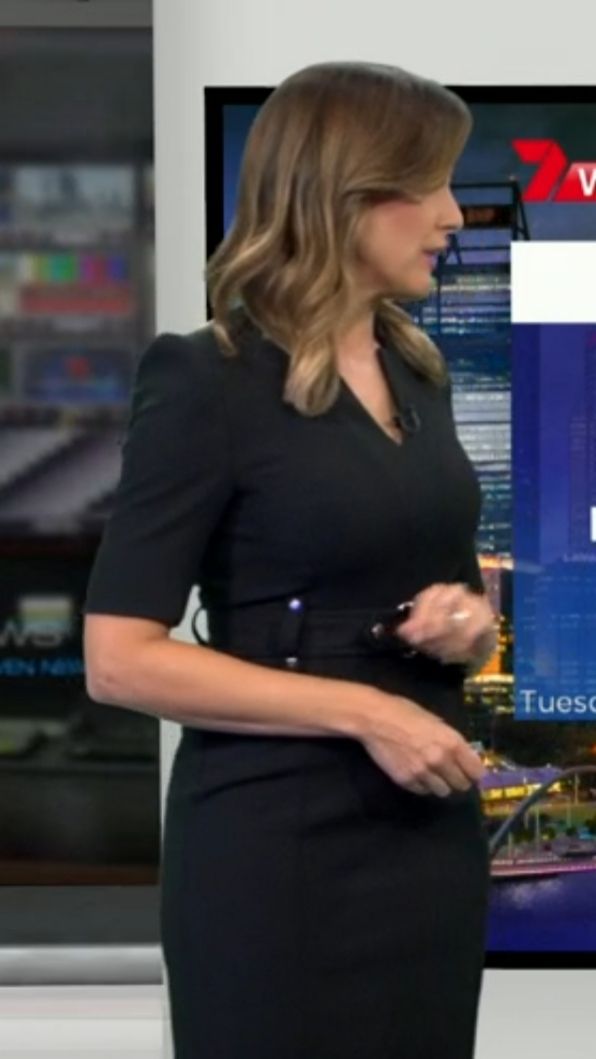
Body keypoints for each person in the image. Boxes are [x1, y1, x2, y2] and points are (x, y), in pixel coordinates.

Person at [83, 60, 498, 1059]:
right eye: (429, 185)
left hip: (426, 842)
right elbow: (119, 659)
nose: (452, 214)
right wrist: (367, 711)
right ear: (346, 192)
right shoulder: (206, 378)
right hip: (276, 853)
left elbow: (442, 594)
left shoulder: (418, 370)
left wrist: (468, 626)